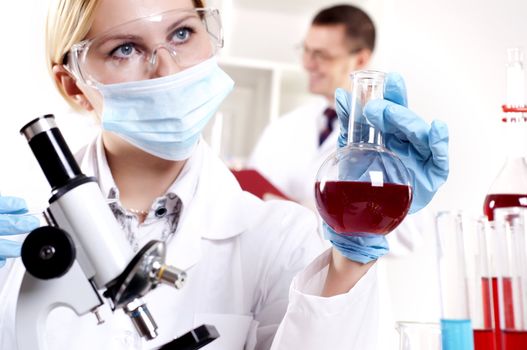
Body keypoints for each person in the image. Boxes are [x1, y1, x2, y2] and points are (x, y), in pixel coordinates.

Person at [0, 0, 449, 349]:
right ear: (74, 84)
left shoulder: (280, 238)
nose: (168, 67)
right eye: (125, 48)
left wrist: (350, 259)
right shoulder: (15, 231)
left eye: (181, 33)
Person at [248, 4, 432, 255]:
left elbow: (409, 237)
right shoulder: (281, 128)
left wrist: (310, 217)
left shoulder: (392, 138)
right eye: (306, 51)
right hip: (272, 281)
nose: (308, 64)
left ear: (360, 60)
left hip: (348, 288)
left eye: (322, 55)